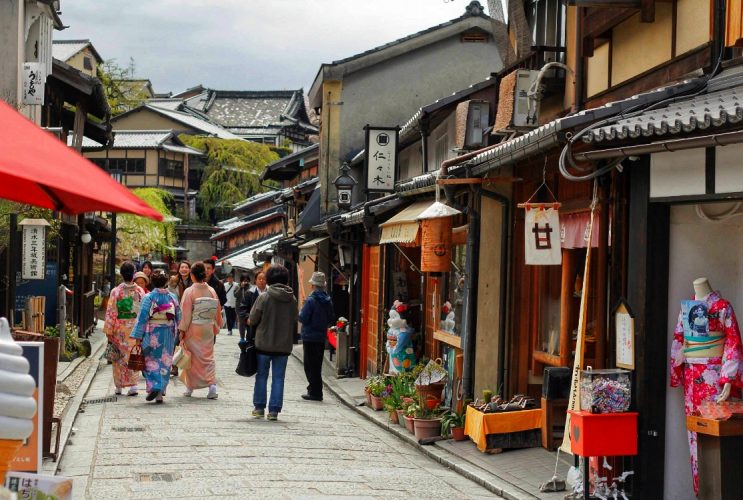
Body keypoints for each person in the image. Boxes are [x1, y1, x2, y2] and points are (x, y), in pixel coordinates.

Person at [249, 265, 297, 421]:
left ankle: (259, 408)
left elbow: (253, 318)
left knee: (262, 376)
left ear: (269, 279)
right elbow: (295, 319)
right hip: (283, 345)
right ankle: (274, 411)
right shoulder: (292, 298)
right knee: (278, 378)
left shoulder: (264, 296)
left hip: (264, 344)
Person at [131, 270, 181, 403]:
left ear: (152, 282)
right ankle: (160, 392)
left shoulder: (149, 297)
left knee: (151, 361)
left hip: (152, 332)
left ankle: (155, 387)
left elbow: (142, 318)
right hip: (168, 332)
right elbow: (178, 315)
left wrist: (138, 337)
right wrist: (181, 332)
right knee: (165, 361)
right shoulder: (172, 297)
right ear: (165, 282)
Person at [178, 262, 222, 399]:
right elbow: (217, 311)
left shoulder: (189, 291)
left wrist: (182, 330)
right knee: (207, 358)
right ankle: (212, 386)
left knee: (192, 358)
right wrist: (217, 325)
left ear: (192, 275)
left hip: (193, 327)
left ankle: (190, 387)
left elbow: (185, 313)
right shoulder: (211, 291)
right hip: (207, 327)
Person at [103, 262, 145, 396]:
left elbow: (111, 312)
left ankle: (119, 386)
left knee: (119, 358)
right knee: (133, 355)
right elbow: (142, 311)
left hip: (119, 329)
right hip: (134, 328)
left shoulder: (116, 291)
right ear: (134, 274)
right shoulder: (139, 291)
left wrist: (109, 331)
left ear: (121, 274)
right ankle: (133, 386)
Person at [298, 272, 335, 402]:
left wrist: (302, 308)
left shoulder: (311, 300)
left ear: (313, 285)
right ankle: (315, 390)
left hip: (309, 336)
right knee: (317, 365)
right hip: (320, 336)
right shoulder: (327, 300)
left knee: (309, 365)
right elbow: (331, 318)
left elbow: (302, 318)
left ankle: (315, 391)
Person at [234, 274, 253, 341]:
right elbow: (235, 295)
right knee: (241, 322)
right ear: (241, 281)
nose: (245, 282)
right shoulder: (237, 286)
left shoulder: (251, 287)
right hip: (239, 307)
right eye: (244, 280)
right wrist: (241, 288)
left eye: (247, 280)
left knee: (249, 322)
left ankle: (248, 336)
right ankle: (242, 338)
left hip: (248, 307)